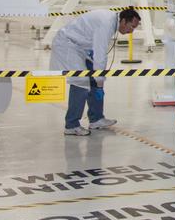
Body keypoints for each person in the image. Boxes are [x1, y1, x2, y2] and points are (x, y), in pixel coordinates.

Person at [50, 8, 140, 136]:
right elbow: (100, 55)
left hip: (80, 47)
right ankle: (71, 125)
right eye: (131, 27)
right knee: (80, 82)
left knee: (94, 78)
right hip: (67, 45)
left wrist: (98, 80)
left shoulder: (111, 21)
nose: (131, 31)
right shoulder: (107, 23)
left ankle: (96, 119)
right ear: (124, 21)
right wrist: (99, 83)